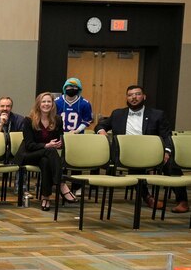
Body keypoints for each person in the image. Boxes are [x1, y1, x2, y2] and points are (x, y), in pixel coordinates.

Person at [95, 85, 188, 213]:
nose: (134, 97)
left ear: (144, 97)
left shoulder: (157, 115)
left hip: (152, 153)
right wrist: (101, 131)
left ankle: (182, 200)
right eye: (130, 95)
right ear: (126, 98)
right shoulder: (118, 114)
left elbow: (167, 136)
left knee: (171, 163)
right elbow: (100, 125)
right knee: (134, 164)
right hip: (126, 153)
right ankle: (148, 197)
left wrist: (167, 151)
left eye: (137, 94)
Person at [14, 92, 76, 211]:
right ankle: (61, 183)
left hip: (45, 155)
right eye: (43, 101)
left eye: (49, 101)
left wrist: (58, 144)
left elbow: (58, 138)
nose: (46, 104)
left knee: (45, 162)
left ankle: (45, 197)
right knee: (50, 152)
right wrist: (47, 145)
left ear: (53, 104)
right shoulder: (28, 120)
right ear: (38, 104)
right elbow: (29, 145)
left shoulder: (57, 120)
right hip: (28, 154)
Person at [0, 96, 25, 197]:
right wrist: (1, 124)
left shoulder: (19, 119)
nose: (5, 108)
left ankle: (20, 189)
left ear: (11, 108)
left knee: (23, 158)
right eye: (2, 106)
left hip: (12, 152)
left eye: (8, 106)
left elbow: (21, 138)